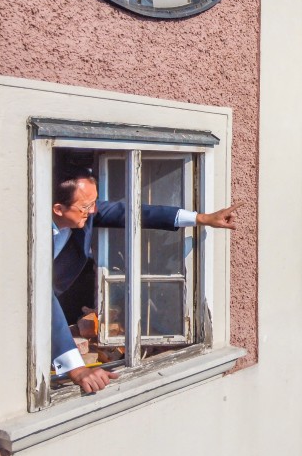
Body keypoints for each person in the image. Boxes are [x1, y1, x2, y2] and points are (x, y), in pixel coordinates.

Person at [51, 168, 238, 393]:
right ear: (58, 209)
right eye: (85, 206)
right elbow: (42, 298)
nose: (93, 211)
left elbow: (134, 212)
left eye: (94, 203)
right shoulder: (29, 234)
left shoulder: (86, 213)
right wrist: (76, 369)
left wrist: (201, 218)